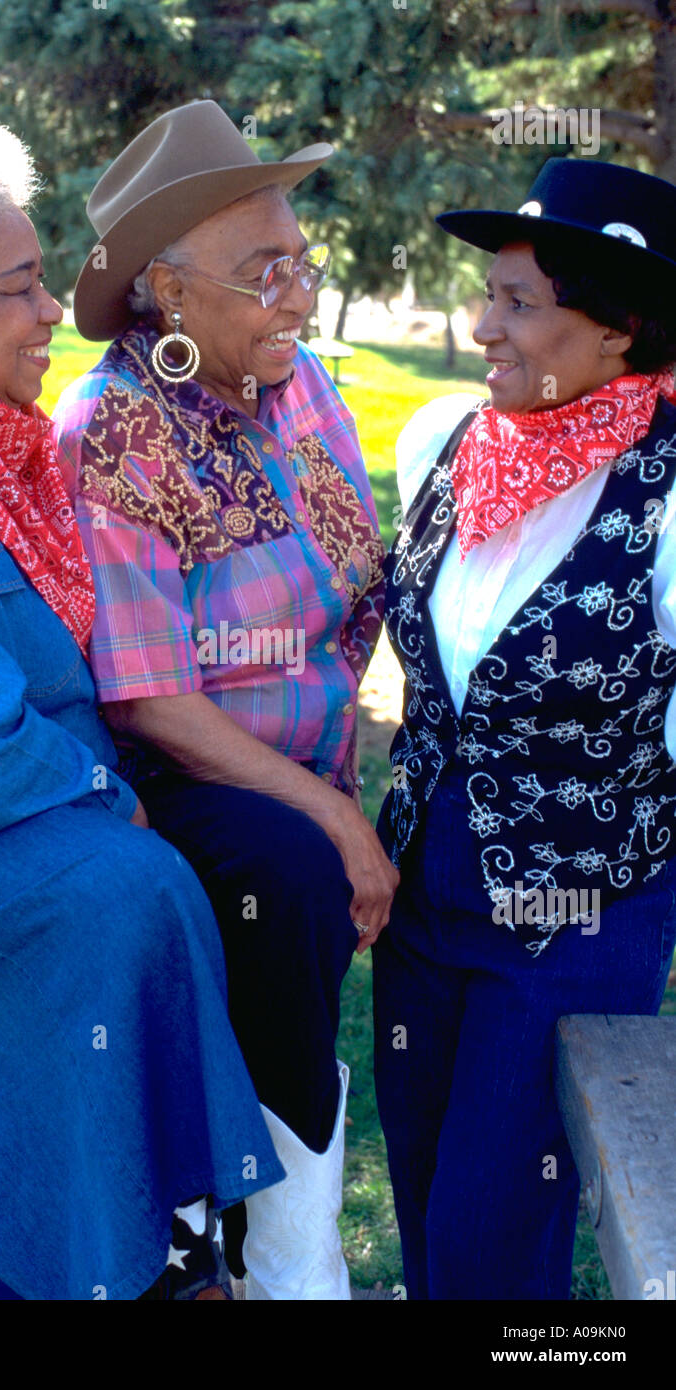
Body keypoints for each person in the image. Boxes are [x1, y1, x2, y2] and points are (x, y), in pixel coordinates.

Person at [0, 113, 284, 1302]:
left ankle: (119, 1239)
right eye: (20, 288)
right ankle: (136, 1253)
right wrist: (98, 794)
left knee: (167, 872)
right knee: (127, 889)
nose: (50, 313)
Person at [54, 99, 397, 1299]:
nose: (298, 296)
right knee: (290, 872)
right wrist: (340, 818)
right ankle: (268, 1256)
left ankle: (256, 1239)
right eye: (265, 273)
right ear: (164, 290)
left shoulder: (300, 389)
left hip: (300, 781)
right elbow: (150, 702)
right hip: (180, 794)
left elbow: (354, 589)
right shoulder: (114, 433)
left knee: (307, 905)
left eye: (301, 261)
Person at [374, 156, 676, 1300]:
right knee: (424, 1212)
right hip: (420, 901)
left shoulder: (667, 497)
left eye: (518, 302)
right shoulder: (444, 444)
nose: (482, 324)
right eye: (486, 294)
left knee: (486, 1245)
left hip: (577, 916)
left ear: (617, 332)